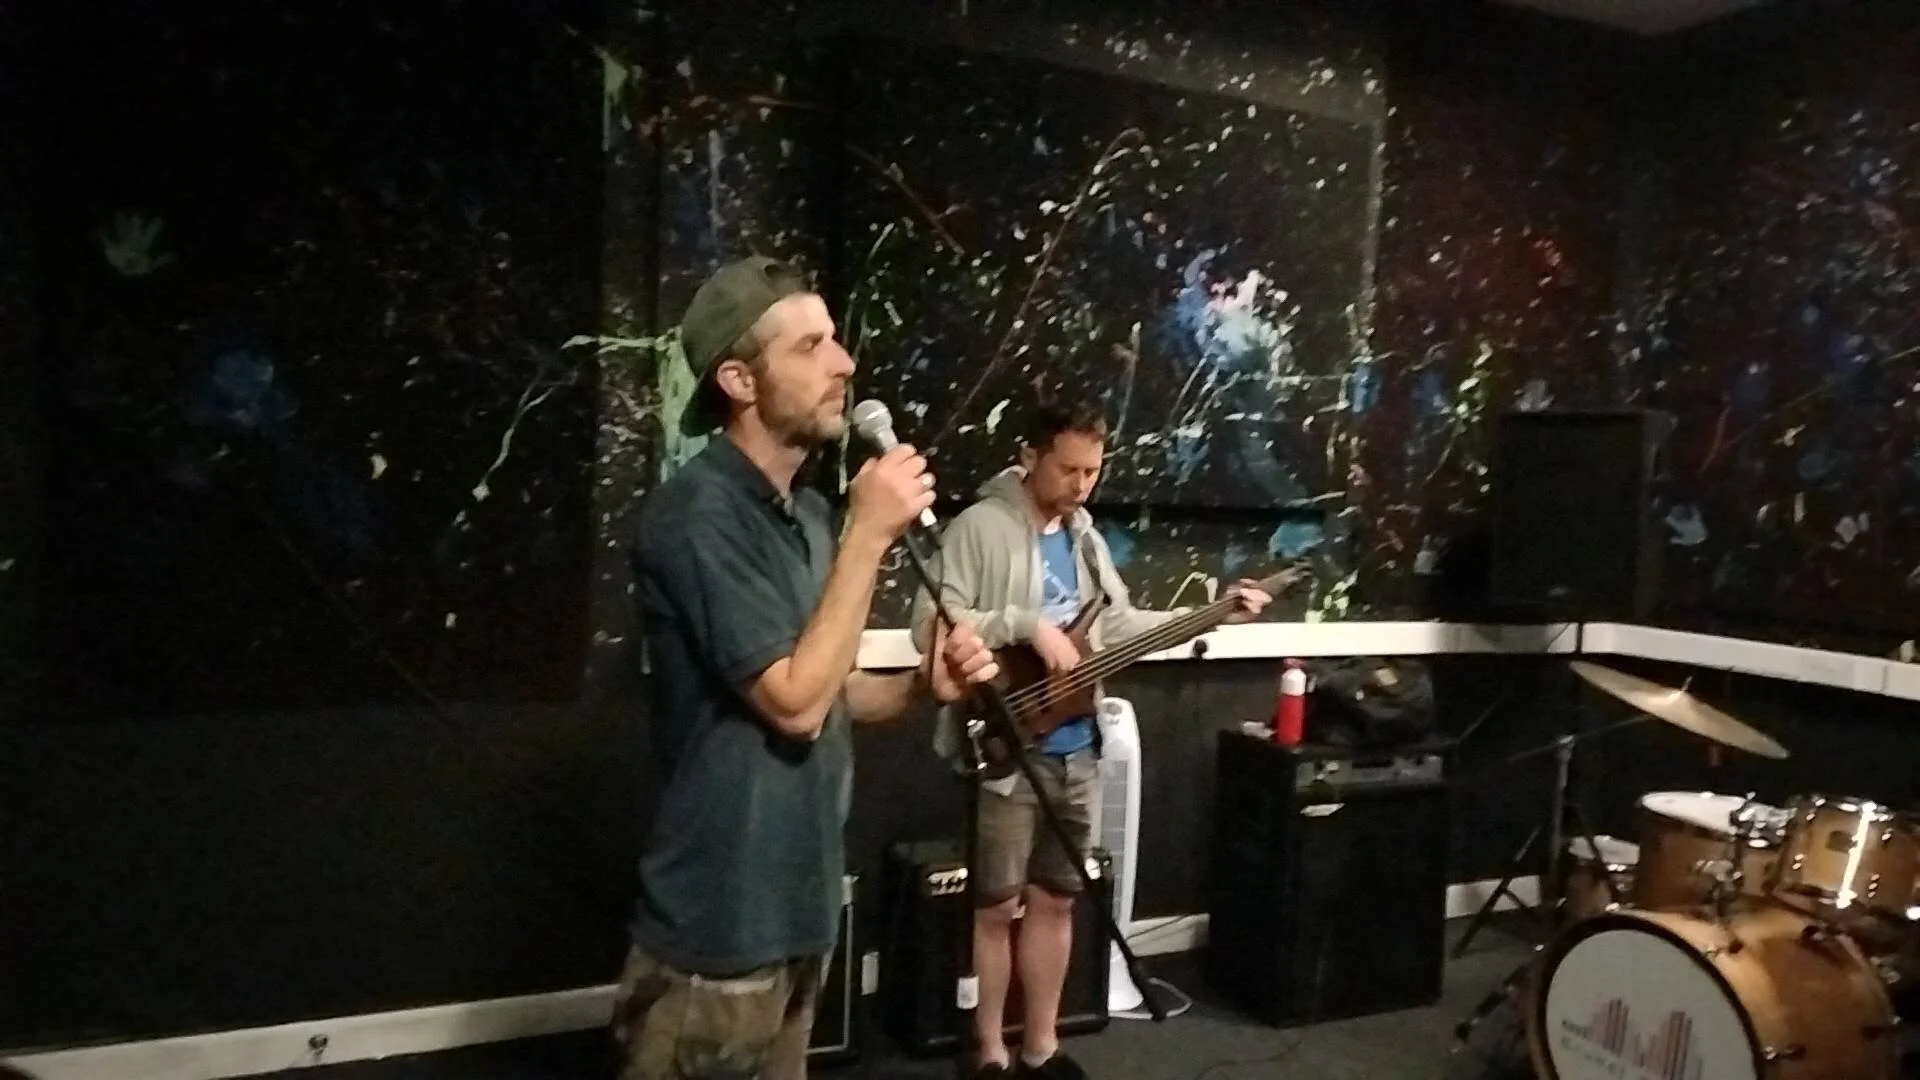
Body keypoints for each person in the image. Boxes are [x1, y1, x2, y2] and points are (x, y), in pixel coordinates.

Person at [617, 255, 1001, 1080]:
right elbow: (793, 705)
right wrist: (869, 535)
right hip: (719, 935)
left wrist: (920, 685)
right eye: (810, 346)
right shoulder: (697, 515)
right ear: (738, 381)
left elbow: (831, 687)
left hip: (800, 914)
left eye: (836, 340)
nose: (845, 364)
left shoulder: (811, 516)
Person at [912, 400, 1270, 1080]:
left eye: (1092, 472)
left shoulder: (1085, 539)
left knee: (1056, 898)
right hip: (1007, 746)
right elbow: (934, 620)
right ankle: (989, 1054)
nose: (1081, 485)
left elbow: (1120, 626)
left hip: (1078, 745)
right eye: (1069, 469)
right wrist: (1025, 625)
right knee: (996, 906)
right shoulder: (980, 527)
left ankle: (1040, 1047)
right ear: (1031, 456)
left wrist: (1213, 616)